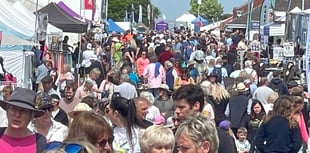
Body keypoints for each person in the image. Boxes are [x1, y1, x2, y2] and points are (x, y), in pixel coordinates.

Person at [173, 84, 237, 153]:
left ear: (196, 106)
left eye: (181, 107)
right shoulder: (173, 136)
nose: (177, 111)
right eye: (175, 107)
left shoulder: (222, 137)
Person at [0, 87, 47, 153]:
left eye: (23, 111)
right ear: (7, 111)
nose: (17, 115)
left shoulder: (40, 143)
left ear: (31, 116)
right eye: (13, 109)